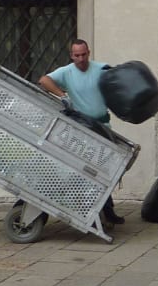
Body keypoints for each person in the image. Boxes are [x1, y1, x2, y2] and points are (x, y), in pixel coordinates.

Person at [39, 39, 125, 226]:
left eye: (84, 54)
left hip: (102, 126)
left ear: (89, 53)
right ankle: (89, 213)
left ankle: (108, 211)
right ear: (72, 55)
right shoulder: (67, 72)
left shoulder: (101, 69)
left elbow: (118, 81)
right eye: (77, 55)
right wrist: (62, 96)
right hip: (82, 130)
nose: (81, 59)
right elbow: (44, 80)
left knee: (106, 171)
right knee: (85, 172)